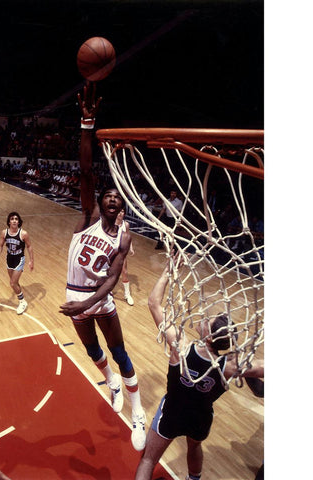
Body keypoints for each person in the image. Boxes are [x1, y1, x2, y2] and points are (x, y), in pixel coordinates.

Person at [59, 82, 146, 451]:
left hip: (98, 299)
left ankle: (138, 410)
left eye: (115, 198)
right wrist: (86, 126)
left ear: (121, 207)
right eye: (106, 195)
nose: (110, 199)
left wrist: (87, 304)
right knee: (93, 351)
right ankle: (111, 382)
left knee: (120, 350)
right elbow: (85, 172)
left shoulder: (123, 237)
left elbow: (112, 278)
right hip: (75, 295)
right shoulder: (88, 217)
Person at [134, 256, 264, 480]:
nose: (203, 319)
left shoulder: (181, 346)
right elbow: (263, 368)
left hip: (172, 413)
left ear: (208, 335)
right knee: (194, 447)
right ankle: (193, 478)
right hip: (200, 417)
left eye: (207, 320)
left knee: (148, 459)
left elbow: (153, 303)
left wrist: (168, 272)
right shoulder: (229, 366)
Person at [0, 211, 34, 314]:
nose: (14, 221)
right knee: (15, 282)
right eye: (12, 219)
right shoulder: (4, 232)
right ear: (9, 222)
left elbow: (29, 246)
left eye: (16, 219)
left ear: (19, 221)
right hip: (9, 258)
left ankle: (22, 302)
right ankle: (20, 297)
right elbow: (1, 245)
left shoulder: (23, 234)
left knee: (12, 283)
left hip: (19, 259)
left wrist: (31, 261)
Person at [116, 208, 135, 306]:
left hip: (121, 251)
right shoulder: (110, 222)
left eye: (122, 211)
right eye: (119, 211)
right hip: (110, 250)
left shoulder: (126, 224)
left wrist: (131, 248)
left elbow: (128, 236)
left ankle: (127, 294)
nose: (120, 213)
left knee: (125, 272)